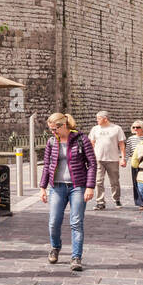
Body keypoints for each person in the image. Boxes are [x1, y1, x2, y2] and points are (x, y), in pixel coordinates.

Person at [40, 112, 97, 272]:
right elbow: (46, 165)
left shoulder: (81, 139)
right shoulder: (52, 141)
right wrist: (43, 187)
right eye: (50, 129)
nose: (52, 132)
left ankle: (76, 256)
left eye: (54, 129)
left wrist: (90, 186)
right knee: (53, 221)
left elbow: (92, 164)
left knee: (76, 222)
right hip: (57, 186)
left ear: (63, 126)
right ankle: (55, 247)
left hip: (77, 186)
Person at [88, 111, 127, 209]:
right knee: (98, 181)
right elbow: (92, 143)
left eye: (99, 118)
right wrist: (90, 157)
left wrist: (123, 158)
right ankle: (100, 202)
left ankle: (116, 199)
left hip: (112, 159)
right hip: (98, 159)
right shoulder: (95, 129)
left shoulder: (116, 128)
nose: (97, 120)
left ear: (105, 118)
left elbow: (121, 144)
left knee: (114, 181)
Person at [125, 121, 143, 209]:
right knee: (136, 183)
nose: (135, 129)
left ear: (142, 128)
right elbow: (127, 151)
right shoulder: (130, 139)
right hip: (135, 163)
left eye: (137, 127)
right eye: (133, 127)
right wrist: (124, 160)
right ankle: (140, 202)